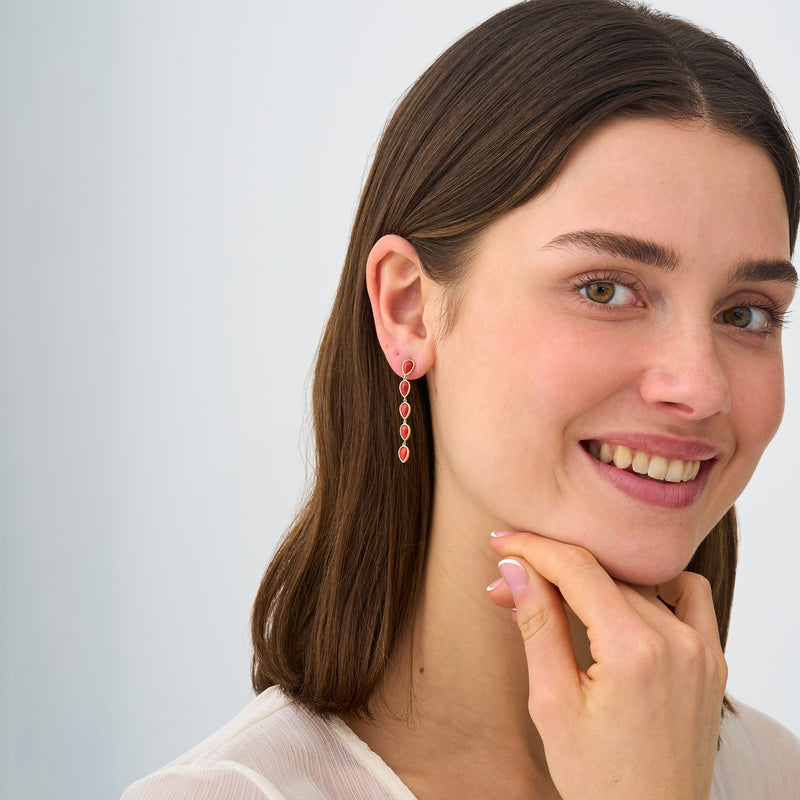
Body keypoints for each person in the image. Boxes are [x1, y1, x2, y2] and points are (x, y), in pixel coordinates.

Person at [122, 0, 800, 797]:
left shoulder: (776, 771)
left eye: (745, 312)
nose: (700, 386)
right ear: (407, 307)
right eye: (606, 288)